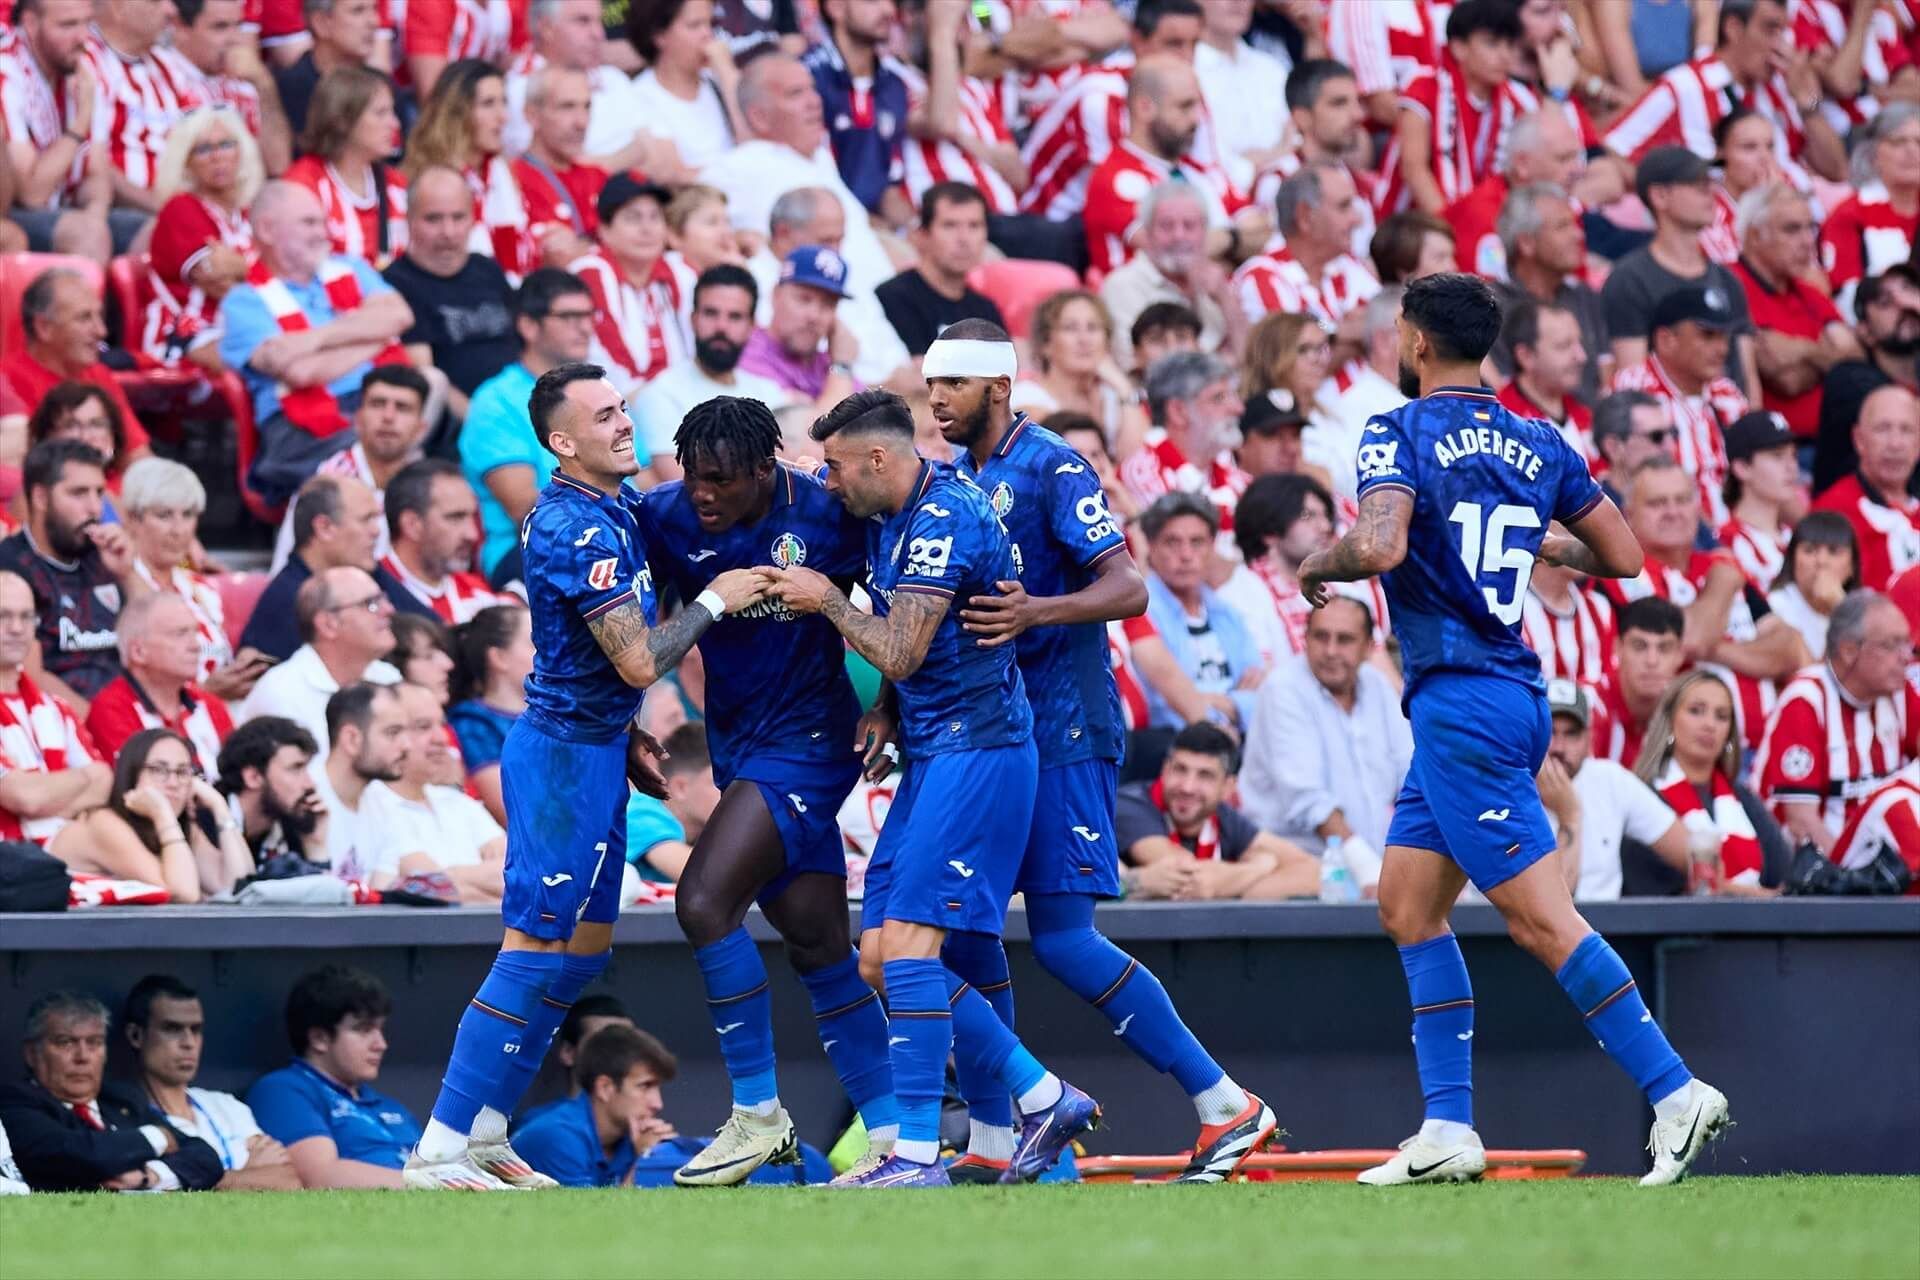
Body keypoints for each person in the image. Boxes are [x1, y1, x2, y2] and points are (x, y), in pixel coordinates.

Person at [1296, 271, 1728, 1187]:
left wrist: (1316, 560)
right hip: (1502, 696)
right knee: (1408, 906)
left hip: (1463, 702)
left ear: (1415, 342)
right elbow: (1624, 556)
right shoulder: (1538, 438)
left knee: (1542, 921)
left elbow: (1378, 546)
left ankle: (1675, 1089)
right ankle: (1449, 1128)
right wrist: (1531, 534)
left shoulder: (1397, 428)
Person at [926, 321, 1276, 1181]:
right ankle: (995, 1142)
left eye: (954, 384)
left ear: (998, 387)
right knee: (967, 935)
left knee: (1063, 939)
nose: (936, 398)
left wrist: (1034, 611)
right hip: (997, 733)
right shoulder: (965, 475)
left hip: (1066, 726)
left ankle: (1225, 1103)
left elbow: (1128, 584)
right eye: (931, 383)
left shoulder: (1051, 465)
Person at [407, 360, 765, 1191]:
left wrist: (630, 729)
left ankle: (489, 1131)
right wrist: (716, 599)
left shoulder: (613, 509)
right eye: (603, 416)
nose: (623, 423)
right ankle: (438, 1145)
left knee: (579, 954)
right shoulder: (577, 527)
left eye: (622, 408)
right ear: (561, 442)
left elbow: (605, 664)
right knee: (533, 948)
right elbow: (640, 659)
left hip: (599, 745)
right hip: (562, 759)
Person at [761, 387, 1100, 1189]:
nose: (833, 486)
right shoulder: (891, 504)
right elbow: (910, 658)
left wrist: (830, 599)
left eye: (841, 470)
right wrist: (884, 709)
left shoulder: (945, 516)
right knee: (879, 955)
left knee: (911, 949)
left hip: (979, 751)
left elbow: (904, 647)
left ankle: (915, 1155)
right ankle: (1042, 1096)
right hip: (935, 749)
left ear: (881, 458)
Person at [628, 396, 898, 1182]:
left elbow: (913, 615)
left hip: (815, 741)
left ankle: (757, 1114)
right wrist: (629, 728)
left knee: (703, 902)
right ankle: (893, 1136)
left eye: (719, 480)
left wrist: (891, 707)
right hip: (739, 745)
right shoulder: (666, 518)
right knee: (817, 943)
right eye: (691, 476)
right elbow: (631, 632)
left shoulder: (830, 512)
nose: (701, 493)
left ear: (762, 470)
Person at [219, 181, 414, 508]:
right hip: (301, 429)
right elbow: (299, 372)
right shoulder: (244, 302)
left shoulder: (349, 268)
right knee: (387, 452)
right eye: (309, 222)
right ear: (267, 230)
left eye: (323, 221)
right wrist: (372, 337)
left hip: (376, 402)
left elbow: (400, 315)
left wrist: (313, 341)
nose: (324, 232)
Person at [1605, 455, 1809, 749]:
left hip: (1765, 745)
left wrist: (1712, 645)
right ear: (1628, 515)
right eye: (1657, 503)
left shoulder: (1717, 564)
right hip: (1682, 752)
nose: (1673, 512)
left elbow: (1789, 651)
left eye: (1682, 500)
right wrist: (1722, 586)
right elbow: (1690, 639)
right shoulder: (1623, 575)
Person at [513, 1021, 831, 1188]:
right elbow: (588, 1226)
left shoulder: (627, 1134)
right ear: (606, 1088)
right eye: (645, 1087)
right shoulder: (556, 1135)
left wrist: (651, 1155)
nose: (656, 1103)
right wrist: (646, 1162)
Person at [700, 52, 896, 303]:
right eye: (795, 93)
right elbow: (687, 215)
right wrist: (737, 238)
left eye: (812, 89)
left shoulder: (821, 158)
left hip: (879, 311)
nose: (814, 101)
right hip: (822, 312)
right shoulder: (739, 167)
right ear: (759, 116)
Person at [1241, 594, 1410, 865]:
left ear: (1368, 647)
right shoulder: (1282, 688)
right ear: (1305, 639)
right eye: (1321, 637)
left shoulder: (1378, 687)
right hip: (1295, 868)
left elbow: (1410, 777)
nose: (1331, 651)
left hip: (1373, 865)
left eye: (1344, 640)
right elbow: (1307, 799)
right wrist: (1363, 864)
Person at [0, 992, 222, 1194]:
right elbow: (81, 1156)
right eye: (66, 1043)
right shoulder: (16, 1101)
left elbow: (205, 1158)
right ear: (31, 1053)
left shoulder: (121, 1099)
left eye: (94, 1043)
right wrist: (158, 1136)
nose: (83, 1057)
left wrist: (149, 1175)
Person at [1604, 0, 1844, 184]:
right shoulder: (1686, 85)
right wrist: (1669, 199)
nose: (1779, 45)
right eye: (1770, 30)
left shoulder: (1782, 86)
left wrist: (1807, 103)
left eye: (1783, 32)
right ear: (1733, 28)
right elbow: (1613, 149)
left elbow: (1837, 170)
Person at [1754, 589, 1920, 854]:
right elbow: (1800, 823)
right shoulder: (1806, 701)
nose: (1906, 658)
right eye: (1891, 645)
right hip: (1814, 876)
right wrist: (1851, 882)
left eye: (1907, 645)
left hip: (1880, 873)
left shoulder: (1899, 693)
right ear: (1848, 650)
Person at [461, 269, 598, 583]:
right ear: (528, 326)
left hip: (612, 533)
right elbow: (529, 510)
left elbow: (643, 476)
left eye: (589, 315)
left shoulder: (599, 390)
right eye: (568, 316)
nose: (585, 327)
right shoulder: (495, 401)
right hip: (530, 551)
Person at [246, 966, 428, 1189]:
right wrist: (434, 1184)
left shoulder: (390, 1106)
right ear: (319, 1038)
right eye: (363, 1029)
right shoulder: (281, 1090)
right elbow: (320, 1176)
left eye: (380, 1030)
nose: (380, 1044)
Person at [0, 440, 145, 711]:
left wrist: (128, 573)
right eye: (79, 493)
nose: (95, 509)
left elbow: (158, 638)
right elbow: (29, 674)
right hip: (66, 721)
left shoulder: (104, 555)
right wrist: (100, 726)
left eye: (99, 493)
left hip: (130, 714)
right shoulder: (10, 568)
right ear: (41, 498)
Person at [1602, 148, 1757, 399]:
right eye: (1697, 184)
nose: (1710, 193)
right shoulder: (1629, 280)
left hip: (1728, 421)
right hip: (1667, 424)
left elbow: (1746, 376)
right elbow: (1633, 380)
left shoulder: (1728, 280)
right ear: (1660, 196)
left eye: (1710, 183)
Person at [122, 974, 301, 1190]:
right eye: (172, 1029)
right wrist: (248, 1175)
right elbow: (152, 1190)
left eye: (195, 1030)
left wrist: (197, 1181)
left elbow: (289, 1180)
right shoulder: (121, 1117)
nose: (188, 1043)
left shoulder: (226, 1105)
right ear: (136, 1036)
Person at [1114, 721, 1322, 901]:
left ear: (1228, 787)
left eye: (1205, 775)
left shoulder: (1222, 816)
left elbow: (1315, 871)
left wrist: (1236, 889)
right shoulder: (1131, 805)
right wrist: (1259, 867)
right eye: (1180, 769)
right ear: (1165, 769)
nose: (1187, 787)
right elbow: (1186, 877)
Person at [1080, 55, 1244, 280]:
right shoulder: (1113, 177)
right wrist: (1236, 240)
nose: (1196, 118)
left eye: (1197, 106)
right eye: (1184, 106)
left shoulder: (1198, 171)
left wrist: (1223, 244)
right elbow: (1172, 255)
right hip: (1145, 307)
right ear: (1145, 108)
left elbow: (1261, 227)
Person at [50, 728, 254, 903]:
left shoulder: (176, 826)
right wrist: (163, 815)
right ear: (132, 774)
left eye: (183, 771)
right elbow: (182, 894)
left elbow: (239, 888)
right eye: (158, 770)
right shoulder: (102, 823)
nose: (173, 783)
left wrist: (219, 807)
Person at [1631, 671, 1789, 896]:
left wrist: (1732, 892)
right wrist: (1755, 896)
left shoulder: (1743, 797)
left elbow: (1784, 877)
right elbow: (1659, 889)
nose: (1709, 725)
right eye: (1696, 711)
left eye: (1721, 716)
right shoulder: (1642, 796)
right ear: (1669, 720)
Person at [383, 167, 518, 429]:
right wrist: (487, 425)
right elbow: (427, 378)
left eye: (458, 217)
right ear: (408, 220)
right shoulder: (396, 283)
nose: (448, 231)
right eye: (433, 219)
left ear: (472, 219)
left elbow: (528, 348)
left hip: (521, 409)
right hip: (460, 428)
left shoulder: (487, 269)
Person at [1612, 283, 1752, 530]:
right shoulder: (1635, 388)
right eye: (1708, 336)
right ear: (1666, 340)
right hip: (1671, 529)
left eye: (1724, 337)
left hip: (1734, 533)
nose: (1722, 349)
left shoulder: (1726, 392)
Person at [245, 473, 428, 662]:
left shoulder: (366, 572)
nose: (376, 531)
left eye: (376, 519)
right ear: (324, 527)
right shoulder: (288, 602)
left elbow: (433, 629)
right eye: (366, 519)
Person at [268, 366, 431, 574]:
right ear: (357, 419)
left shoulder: (428, 485)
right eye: (378, 404)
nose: (388, 417)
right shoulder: (327, 483)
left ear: (421, 429)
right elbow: (290, 573)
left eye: (402, 407)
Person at [121, 457, 261, 699]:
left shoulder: (200, 588)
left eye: (187, 515)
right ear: (133, 519)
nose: (178, 530)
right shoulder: (121, 584)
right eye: (164, 516)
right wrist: (205, 693)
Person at [631, 266, 788, 482]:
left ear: (751, 326)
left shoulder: (770, 392)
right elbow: (684, 484)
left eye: (735, 317)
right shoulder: (661, 394)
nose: (721, 326)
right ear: (693, 319)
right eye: (711, 313)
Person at [1540, 679, 1690, 902]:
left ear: (1589, 738)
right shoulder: (1505, 787)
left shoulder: (1610, 780)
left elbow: (1688, 852)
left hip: (1607, 930)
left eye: (1571, 733)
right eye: (1549, 731)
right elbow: (1552, 909)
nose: (1558, 747)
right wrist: (1569, 815)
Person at [1387, 0, 1541, 218]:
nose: (1505, 55)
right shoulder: (1424, 86)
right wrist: (1454, 228)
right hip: (1414, 224)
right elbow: (1414, 169)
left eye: (1509, 45)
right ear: (1459, 48)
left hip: (1481, 224)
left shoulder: (1516, 101)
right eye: (1492, 44)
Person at [1731, 183, 1859, 443]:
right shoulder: (1732, 284)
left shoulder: (1807, 291)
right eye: (1792, 229)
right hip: (1780, 448)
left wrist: (1802, 351)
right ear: (1755, 236)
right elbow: (1785, 380)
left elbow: (1854, 359)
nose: (1807, 241)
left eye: (1810, 228)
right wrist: (1824, 352)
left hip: (1830, 442)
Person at [357, 682, 505, 901]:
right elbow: (433, 894)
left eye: (441, 724)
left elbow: (519, 875)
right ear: (392, 733)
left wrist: (449, 876)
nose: (441, 738)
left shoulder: (457, 801)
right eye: (423, 726)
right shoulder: (371, 802)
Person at [238, 568, 403, 758]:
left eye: (384, 599)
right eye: (371, 604)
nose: (389, 610)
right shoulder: (283, 694)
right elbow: (298, 784)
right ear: (328, 624)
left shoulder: (387, 676)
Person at [0, 569, 110, 848]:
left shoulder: (57, 709)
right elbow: (24, 797)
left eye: (26, 616)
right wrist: (83, 778)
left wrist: (36, 804)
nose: (16, 628)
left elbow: (104, 783)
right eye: (3, 616)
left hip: (62, 860)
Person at [144, 105, 259, 370]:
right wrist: (259, 272)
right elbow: (216, 279)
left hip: (238, 327)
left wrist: (238, 267)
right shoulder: (181, 208)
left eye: (226, 145)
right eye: (204, 149)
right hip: (185, 333)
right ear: (185, 161)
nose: (217, 157)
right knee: (266, 357)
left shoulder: (247, 213)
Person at [0, 269, 152, 465]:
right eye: (84, 318)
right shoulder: (7, 383)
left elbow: (139, 458)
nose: (101, 331)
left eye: (99, 316)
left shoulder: (98, 374)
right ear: (43, 328)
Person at [1138, 492, 1262, 732]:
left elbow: (1262, 695)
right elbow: (1163, 708)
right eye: (1172, 542)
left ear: (1211, 547)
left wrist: (1217, 702)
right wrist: (1235, 704)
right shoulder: (1143, 614)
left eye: (1197, 542)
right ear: (1151, 547)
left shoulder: (1228, 614)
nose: (1186, 555)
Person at [0, 0, 113, 260]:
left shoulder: (83, 61)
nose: (82, 37)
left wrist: (96, 215)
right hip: (18, 214)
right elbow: (31, 194)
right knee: (87, 235)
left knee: (155, 230)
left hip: (70, 209)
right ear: (30, 23)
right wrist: (79, 124)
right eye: (68, 25)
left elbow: (96, 172)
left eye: (87, 23)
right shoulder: (7, 71)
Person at [82, 0, 206, 228]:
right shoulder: (85, 62)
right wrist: (163, 207)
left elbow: (201, 137)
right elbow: (89, 162)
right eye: (157, 2)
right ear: (119, 7)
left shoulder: (168, 65)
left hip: (176, 209)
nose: (171, 10)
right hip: (120, 213)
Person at [85, 593, 235, 778]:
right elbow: (141, 789)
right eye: (180, 634)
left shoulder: (211, 705)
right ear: (138, 651)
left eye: (194, 632)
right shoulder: (111, 710)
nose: (195, 645)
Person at [1487, 182, 1610, 406]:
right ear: (1526, 243)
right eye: (1562, 226)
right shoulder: (1490, 307)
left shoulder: (1584, 295)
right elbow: (1504, 391)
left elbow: (1606, 375)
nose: (1578, 234)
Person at [571, 176, 689, 401]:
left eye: (655, 217)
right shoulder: (590, 273)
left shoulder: (678, 271)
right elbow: (606, 364)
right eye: (633, 218)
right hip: (619, 405)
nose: (647, 229)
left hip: (676, 402)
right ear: (604, 230)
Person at [1233, 161, 1378, 345]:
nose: (1357, 219)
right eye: (1344, 207)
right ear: (1305, 216)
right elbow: (1293, 355)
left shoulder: (1347, 265)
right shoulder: (1262, 277)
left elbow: (1392, 322)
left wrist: (1342, 332)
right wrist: (1338, 330)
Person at [1100, 184, 1241, 370]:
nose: (1179, 236)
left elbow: (1246, 358)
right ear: (1148, 233)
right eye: (1167, 226)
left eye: (1189, 226)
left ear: (1205, 232)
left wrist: (1225, 298)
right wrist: (1223, 363)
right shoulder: (1122, 286)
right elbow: (1137, 368)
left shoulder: (1214, 280)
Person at [404, 60, 521, 281]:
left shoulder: (501, 172)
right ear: (456, 112)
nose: (502, 116)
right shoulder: (428, 179)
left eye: (503, 102)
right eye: (488, 104)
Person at [283, 66, 409, 269]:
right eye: (381, 113)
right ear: (343, 120)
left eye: (392, 112)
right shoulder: (303, 186)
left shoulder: (397, 185)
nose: (395, 124)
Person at [1249, 58, 1374, 262]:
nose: (1357, 115)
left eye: (1357, 102)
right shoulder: (1278, 181)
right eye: (1339, 103)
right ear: (1302, 117)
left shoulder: (1359, 183)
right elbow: (1281, 260)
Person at [505, 0, 652, 164]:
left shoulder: (612, 77)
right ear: (547, 27)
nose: (598, 34)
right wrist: (633, 154)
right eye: (583, 21)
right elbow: (554, 171)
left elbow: (657, 152)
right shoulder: (518, 91)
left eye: (599, 21)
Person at [804, 0, 909, 226]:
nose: (888, 10)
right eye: (874, 1)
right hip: (824, 223)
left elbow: (889, 187)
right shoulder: (806, 79)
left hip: (876, 227)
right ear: (836, 8)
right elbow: (808, 180)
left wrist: (915, 228)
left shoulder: (894, 85)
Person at [1118, 352, 1243, 540]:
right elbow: (1183, 552)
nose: (1238, 408)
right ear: (1178, 411)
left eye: (1233, 396)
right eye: (1219, 398)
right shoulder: (1141, 473)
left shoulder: (1234, 477)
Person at [1816, 267, 1920, 492]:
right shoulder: (1849, 379)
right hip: (1853, 521)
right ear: (1865, 332)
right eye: (1885, 302)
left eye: (1910, 290)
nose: (1905, 305)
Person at [497, 66, 605, 281]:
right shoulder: (509, 180)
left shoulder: (600, 177)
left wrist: (581, 248)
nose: (581, 122)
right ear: (532, 115)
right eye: (567, 107)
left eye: (587, 107)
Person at [875, 183, 1005, 357]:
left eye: (974, 226)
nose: (964, 239)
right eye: (950, 225)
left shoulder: (986, 310)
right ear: (922, 235)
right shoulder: (892, 297)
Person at [1811, 385, 1920, 592]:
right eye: (1883, 429)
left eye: (1906, 430)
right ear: (1859, 440)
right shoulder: (1833, 511)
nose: (1895, 444)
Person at [169, 0, 293, 177]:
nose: (235, 39)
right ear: (181, 28)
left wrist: (263, 83)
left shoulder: (244, 83)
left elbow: (278, 165)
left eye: (238, 26)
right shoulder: (160, 79)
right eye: (220, 27)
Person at [1011, 290, 1145, 452]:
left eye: (1093, 328)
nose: (1084, 339)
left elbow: (1137, 461)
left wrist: (1124, 387)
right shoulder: (1026, 397)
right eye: (1070, 328)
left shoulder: (1113, 395)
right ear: (1045, 344)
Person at [377, 460, 508, 625]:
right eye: (455, 517)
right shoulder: (374, 596)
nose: (472, 535)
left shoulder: (476, 591)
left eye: (472, 517)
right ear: (412, 525)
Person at [1820, 104, 1920, 320]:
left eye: (1918, 142)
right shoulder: (1850, 214)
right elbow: (1845, 296)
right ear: (1873, 154)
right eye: (1898, 142)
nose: (1912, 150)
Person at [304, 681, 409, 879]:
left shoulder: (385, 804)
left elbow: (382, 895)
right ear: (351, 739)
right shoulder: (305, 798)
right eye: (393, 733)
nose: (407, 745)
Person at [739, 247, 862, 414]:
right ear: (775, 295)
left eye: (827, 304)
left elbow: (882, 425)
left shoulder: (827, 365)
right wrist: (842, 368)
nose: (814, 316)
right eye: (804, 299)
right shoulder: (746, 350)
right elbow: (810, 435)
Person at [447, 604, 530, 824]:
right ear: (499, 658)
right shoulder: (474, 723)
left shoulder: (561, 709)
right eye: (535, 643)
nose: (551, 652)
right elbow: (511, 810)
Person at [215, 715, 327, 869]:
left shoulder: (289, 827)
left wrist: (315, 844)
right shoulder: (207, 823)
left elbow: (320, 892)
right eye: (295, 769)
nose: (310, 784)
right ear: (253, 777)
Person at [1588, 596, 1687, 766]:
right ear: (1617, 648)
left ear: (1680, 655)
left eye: (1664, 648)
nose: (1652, 661)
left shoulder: (1686, 711)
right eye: (1639, 646)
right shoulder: (1591, 704)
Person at [1496, 299, 1593, 467]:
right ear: (1525, 356)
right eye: (1564, 346)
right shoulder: (1502, 422)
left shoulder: (1584, 413)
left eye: (1579, 343)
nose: (1581, 356)